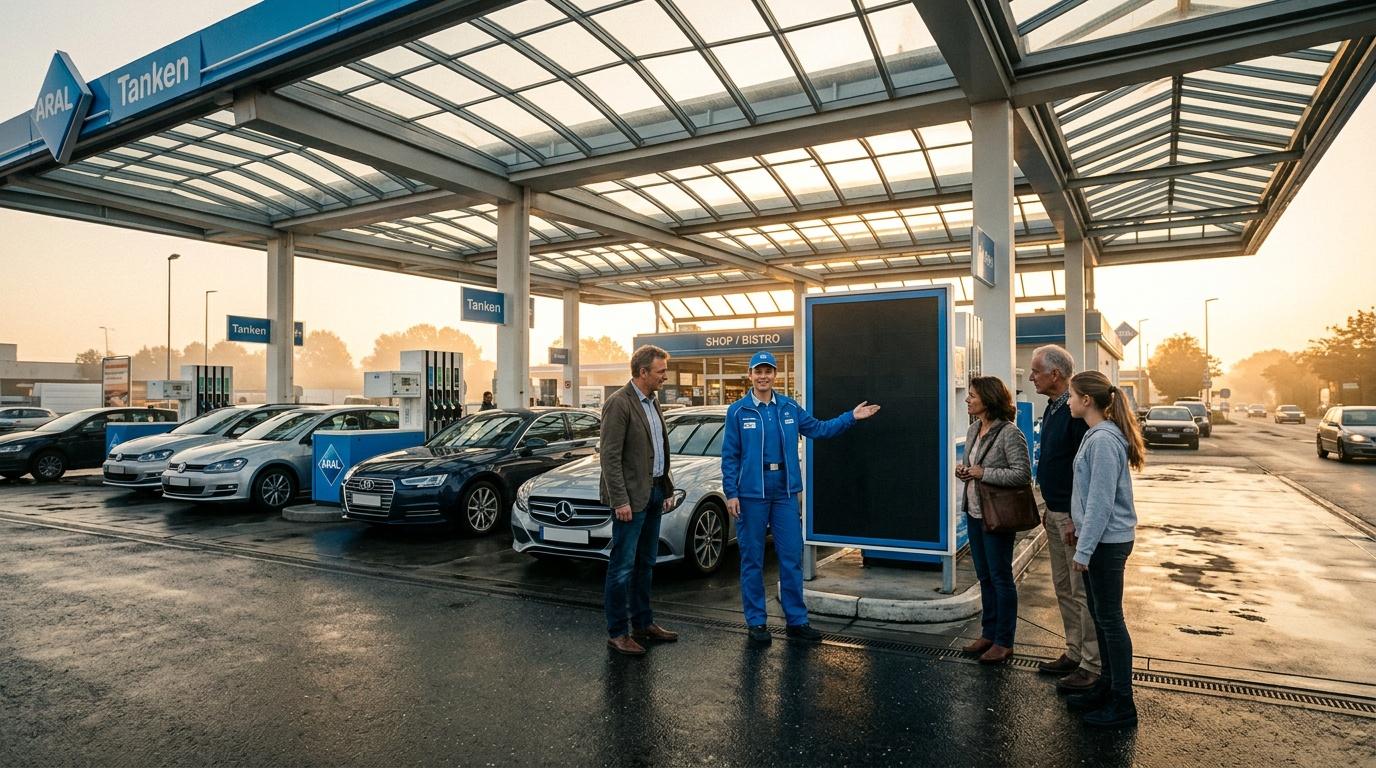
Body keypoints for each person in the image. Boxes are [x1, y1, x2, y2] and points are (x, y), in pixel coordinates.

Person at [721, 350, 881, 646]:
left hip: (784, 495)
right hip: (751, 496)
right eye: (758, 371)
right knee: (752, 560)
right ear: (750, 375)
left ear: (775, 375)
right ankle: (756, 622)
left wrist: (852, 417)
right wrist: (731, 492)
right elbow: (730, 456)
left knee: (791, 557)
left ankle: (797, 620)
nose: (763, 376)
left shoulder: (788, 407)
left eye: (768, 371)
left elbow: (819, 429)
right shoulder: (738, 411)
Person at [1065, 370, 1145, 729]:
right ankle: (1106, 687)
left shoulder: (1102, 441)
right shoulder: (1097, 435)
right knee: (1101, 616)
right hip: (1102, 540)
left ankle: (1123, 703)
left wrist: (1084, 550)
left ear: (1086, 401)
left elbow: (1100, 503)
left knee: (1111, 620)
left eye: (1071, 395)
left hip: (1107, 543)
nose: (1067, 401)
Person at [1028, 345, 1100, 693]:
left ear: (1055, 374)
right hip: (1056, 511)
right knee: (1063, 586)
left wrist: (1072, 515)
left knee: (1080, 590)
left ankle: (1091, 664)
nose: (1030, 378)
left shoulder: (1074, 414)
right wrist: (1049, 507)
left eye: (1035, 372)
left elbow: (1080, 471)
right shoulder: (1055, 407)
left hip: (1071, 516)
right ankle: (1074, 653)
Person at [599, 345, 678, 656]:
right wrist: (620, 501)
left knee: (646, 564)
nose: (665, 377)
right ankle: (617, 632)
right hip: (630, 500)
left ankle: (643, 623)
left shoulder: (652, 402)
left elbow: (658, 450)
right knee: (622, 567)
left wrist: (667, 487)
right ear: (643, 372)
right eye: (660, 372)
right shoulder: (619, 404)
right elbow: (610, 457)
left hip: (654, 493)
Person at [955, 375, 1032, 665]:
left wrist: (981, 473)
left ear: (987, 399)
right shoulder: (974, 429)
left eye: (972, 395)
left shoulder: (1009, 433)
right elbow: (973, 466)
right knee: (984, 576)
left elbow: (1022, 474)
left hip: (996, 516)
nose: (967, 399)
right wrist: (964, 471)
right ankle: (988, 633)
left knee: (1001, 578)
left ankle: (1004, 641)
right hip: (974, 513)